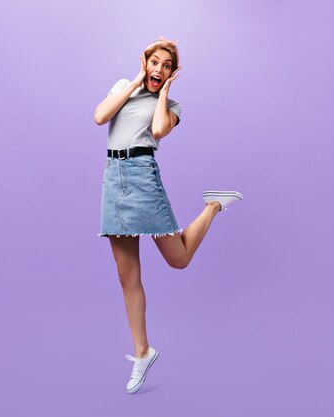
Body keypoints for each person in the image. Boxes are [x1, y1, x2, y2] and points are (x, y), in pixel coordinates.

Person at [93, 37, 243, 394]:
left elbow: (158, 130)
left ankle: (213, 206)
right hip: (114, 180)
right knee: (125, 275)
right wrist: (134, 82)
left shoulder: (173, 105)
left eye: (166, 66)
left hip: (143, 176)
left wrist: (162, 93)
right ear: (144, 62)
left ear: (173, 73)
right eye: (154, 62)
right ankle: (142, 352)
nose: (158, 69)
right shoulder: (122, 87)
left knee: (178, 259)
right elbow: (100, 117)